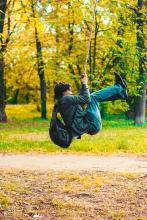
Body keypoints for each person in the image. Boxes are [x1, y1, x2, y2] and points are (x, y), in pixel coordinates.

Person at [54, 73, 128, 140]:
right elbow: (87, 99)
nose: (71, 93)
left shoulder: (62, 102)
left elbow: (81, 100)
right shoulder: (66, 99)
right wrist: (85, 83)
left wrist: (83, 84)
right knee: (92, 97)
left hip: (89, 126)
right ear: (64, 92)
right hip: (92, 124)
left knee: (94, 98)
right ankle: (119, 87)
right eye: (69, 90)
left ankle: (120, 94)